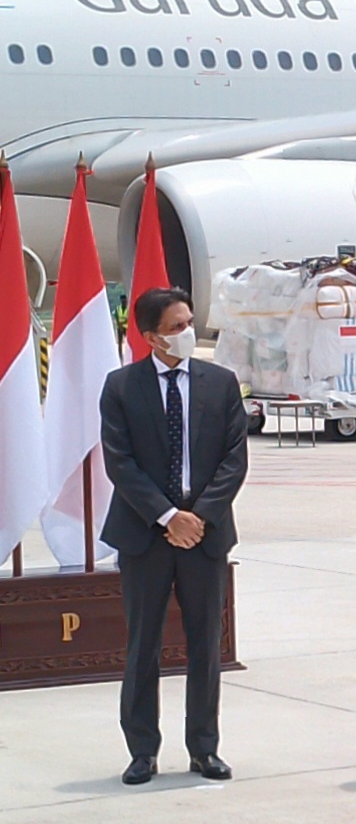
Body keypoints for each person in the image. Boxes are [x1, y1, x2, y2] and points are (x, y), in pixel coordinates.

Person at [100, 287, 249, 786]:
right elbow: (120, 463)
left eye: (189, 323)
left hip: (204, 534)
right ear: (149, 337)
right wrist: (168, 517)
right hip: (145, 534)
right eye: (176, 328)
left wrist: (198, 516)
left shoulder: (221, 383)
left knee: (206, 644)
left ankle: (204, 748)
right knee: (143, 645)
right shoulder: (121, 387)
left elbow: (234, 459)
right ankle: (142, 750)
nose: (187, 333)